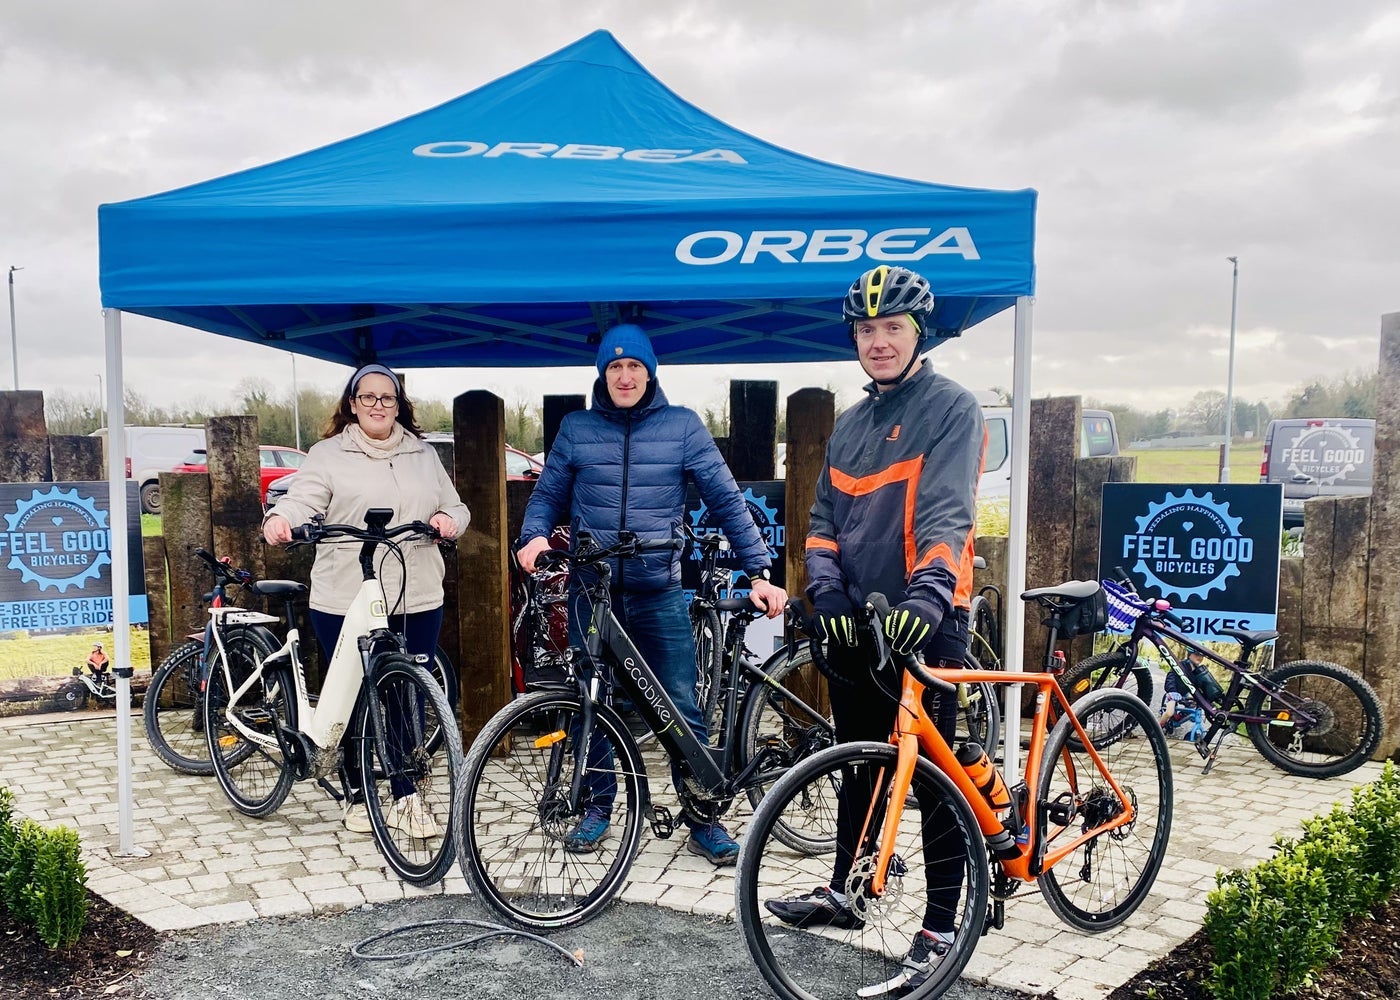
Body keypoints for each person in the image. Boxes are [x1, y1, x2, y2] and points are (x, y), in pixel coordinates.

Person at [764, 265, 986, 993]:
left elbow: (948, 513)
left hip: (927, 616)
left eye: (892, 328)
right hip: (858, 619)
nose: (879, 341)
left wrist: (929, 598)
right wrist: (824, 594)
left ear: (919, 333)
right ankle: (850, 891)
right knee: (858, 756)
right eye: (867, 329)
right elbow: (825, 520)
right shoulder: (851, 424)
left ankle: (943, 924)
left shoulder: (951, 408)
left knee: (935, 771)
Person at [516, 322, 787, 866]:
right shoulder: (576, 428)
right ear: (601, 374)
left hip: (658, 588)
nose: (624, 376)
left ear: (650, 372)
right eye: (614, 367)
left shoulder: (682, 426)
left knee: (681, 702)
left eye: (633, 366)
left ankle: (703, 816)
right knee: (593, 697)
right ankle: (597, 806)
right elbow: (547, 494)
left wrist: (759, 568)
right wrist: (534, 534)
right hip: (591, 588)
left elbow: (727, 498)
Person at [263, 363, 469, 836]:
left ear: (400, 404)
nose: (379, 406)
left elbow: (456, 504)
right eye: (368, 397)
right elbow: (303, 500)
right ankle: (360, 791)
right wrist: (281, 519)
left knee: (405, 691)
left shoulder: (422, 454)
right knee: (356, 693)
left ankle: (404, 790)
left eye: (388, 398)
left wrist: (447, 520)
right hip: (346, 595)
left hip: (416, 592)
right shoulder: (328, 454)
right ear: (352, 403)